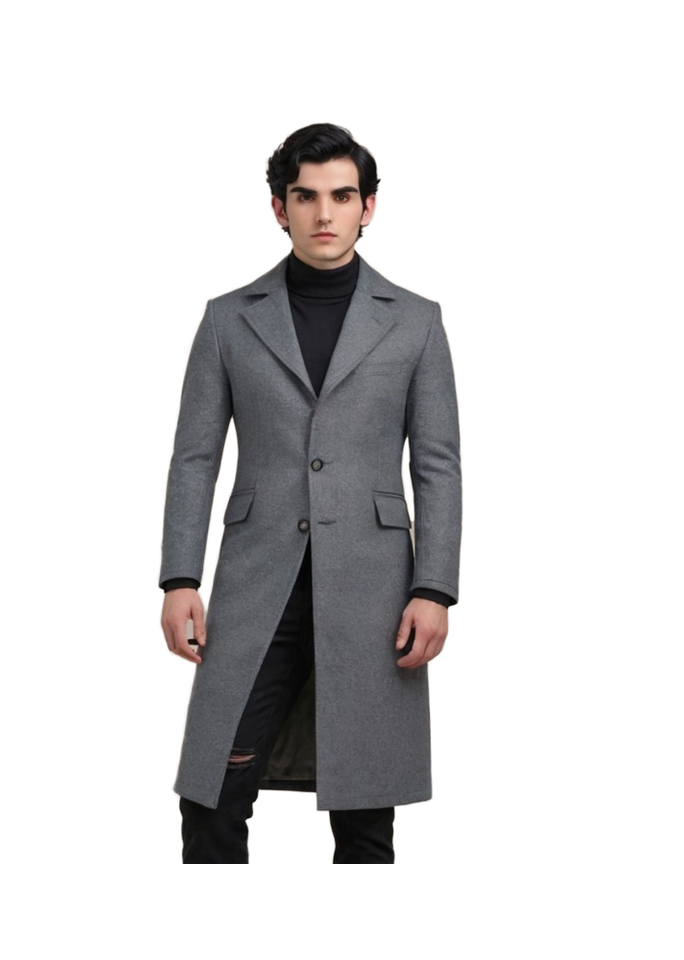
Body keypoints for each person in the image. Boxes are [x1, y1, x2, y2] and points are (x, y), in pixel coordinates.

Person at [158, 123, 461, 863]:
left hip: (374, 588)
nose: (325, 213)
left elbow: (438, 465)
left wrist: (435, 589)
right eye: (306, 196)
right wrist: (179, 578)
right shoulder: (229, 318)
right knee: (212, 795)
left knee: (365, 814)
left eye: (342, 196)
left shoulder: (416, 321)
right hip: (257, 580)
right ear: (279, 207)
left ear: (368, 207)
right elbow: (195, 457)